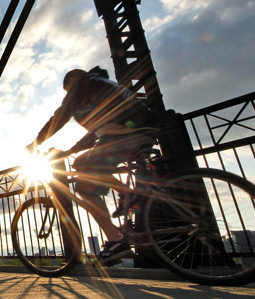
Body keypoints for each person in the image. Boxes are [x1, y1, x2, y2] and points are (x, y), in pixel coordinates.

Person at [26, 66, 157, 266]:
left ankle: (116, 240)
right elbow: (96, 135)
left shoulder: (83, 86)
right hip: (136, 133)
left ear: (72, 82)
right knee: (80, 163)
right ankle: (127, 195)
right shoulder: (99, 86)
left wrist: (36, 142)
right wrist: (69, 153)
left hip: (124, 135)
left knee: (83, 188)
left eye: (68, 90)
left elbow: (58, 118)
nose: (69, 95)